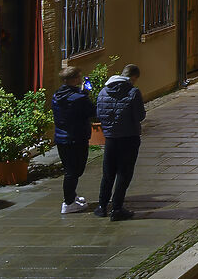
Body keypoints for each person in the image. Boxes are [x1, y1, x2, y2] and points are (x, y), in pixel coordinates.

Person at [94, 64, 147, 220]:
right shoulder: (133, 92)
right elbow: (140, 116)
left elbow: (99, 114)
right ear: (133, 77)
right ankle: (117, 208)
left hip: (110, 138)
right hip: (129, 137)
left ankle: (101, 206)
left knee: (108, 173)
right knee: (124, 173)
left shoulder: (103, 91)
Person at [52, 73, 95, 214]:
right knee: (75, 170)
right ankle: (68, 202)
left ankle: (71, 196)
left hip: (61, 138)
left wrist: (82, 94)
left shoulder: (57, 96)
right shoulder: (79, 98)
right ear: (75, 79)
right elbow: (92, 111)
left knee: (70, 169)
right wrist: (85, 96)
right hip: (77, 137)